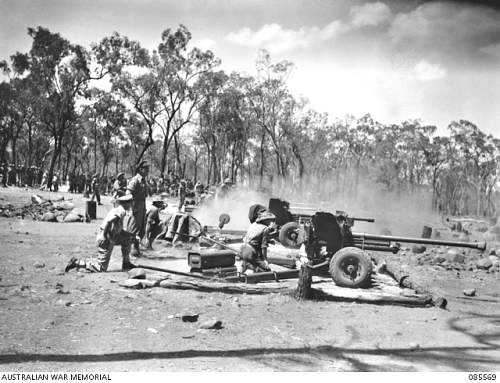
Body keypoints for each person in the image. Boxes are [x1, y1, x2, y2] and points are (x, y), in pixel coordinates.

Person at [64, 194, 137, 272]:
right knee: (101, 268)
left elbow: (119, 230)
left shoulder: (118, 209)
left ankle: (126, 263)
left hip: (110, 235)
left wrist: (131, 235)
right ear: (126, 203)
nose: (131, 205)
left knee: (127, 239)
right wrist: (106, 236)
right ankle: (77, 263)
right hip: (106, 237)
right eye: (130, 202)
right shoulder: (121, 210)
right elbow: (109, 222)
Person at [127, 161, 149, 256]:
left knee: (142, 229)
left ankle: (136, 249)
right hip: (136, 206)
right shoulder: (135, 180)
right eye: (146, 168)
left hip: (142, 206)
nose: (148, 170)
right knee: (134, 229)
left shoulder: (144, 180)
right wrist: (132, 207)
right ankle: (132, 251)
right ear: (140, 169)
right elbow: (128, 194)